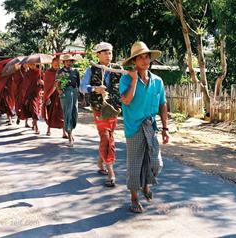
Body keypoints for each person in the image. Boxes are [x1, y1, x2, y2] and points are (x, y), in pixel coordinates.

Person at [119, 41, 169, 213]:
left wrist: (165, 128)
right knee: (134, 165)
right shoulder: (125, 79)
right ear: (134, 61)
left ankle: (146, 185)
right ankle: (134, 198)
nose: (144, 60)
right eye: (140, 57)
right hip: (133, 127)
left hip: (150, 126)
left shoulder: (157, 81)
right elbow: (126, 100)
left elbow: (163, 104)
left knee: (156, 163)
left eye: (146, 56)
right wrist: (134, 80)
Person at [80, 42, 121, 187]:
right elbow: (82, 87)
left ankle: (100, 163)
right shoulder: (91, 69)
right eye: (105, 52)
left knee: (108, 136)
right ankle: (111, 172)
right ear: (98, 55)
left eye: (110, 52)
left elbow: (125, 85)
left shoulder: (117, 69)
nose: (108, 55)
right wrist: (95, 89)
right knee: (106, 137)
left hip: (114, 109)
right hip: (99, 109)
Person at [57, 54, 80, 146]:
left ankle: (70, 131)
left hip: (74, 92)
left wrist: (82, 98)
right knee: (68, 113)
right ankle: (70, 136)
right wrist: (60, 93)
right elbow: (57, 84)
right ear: (64, 62)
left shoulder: (75, 71)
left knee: (75, 113)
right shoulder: (60, 71)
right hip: (65, 93)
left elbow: (79, 84)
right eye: (67, 61)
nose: (69, 63)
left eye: (70, 61)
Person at [43, 56, 67, 138]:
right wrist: (48, 95)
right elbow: (46, 86)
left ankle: (64, 133)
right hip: (51, 95)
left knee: (62, 113)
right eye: (55, 63)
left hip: (60, 95)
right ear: (52, 64)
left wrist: (60, 86)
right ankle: (48, 129)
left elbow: (65, 84)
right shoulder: (48, 73)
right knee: (50, 112)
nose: (56, 65)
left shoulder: (62, 72)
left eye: (58, 64)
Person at [22, 64, 44, 134]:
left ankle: (34, 123)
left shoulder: (40, 72)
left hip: (38, 95)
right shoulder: (27, 73)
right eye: (30, 64)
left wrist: (42, 83)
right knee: (34, 110)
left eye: (33, 64)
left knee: (37, 111)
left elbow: (45, 83)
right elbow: (25, 84)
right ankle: (36, 127)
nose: (32, 65)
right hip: (30, 94)